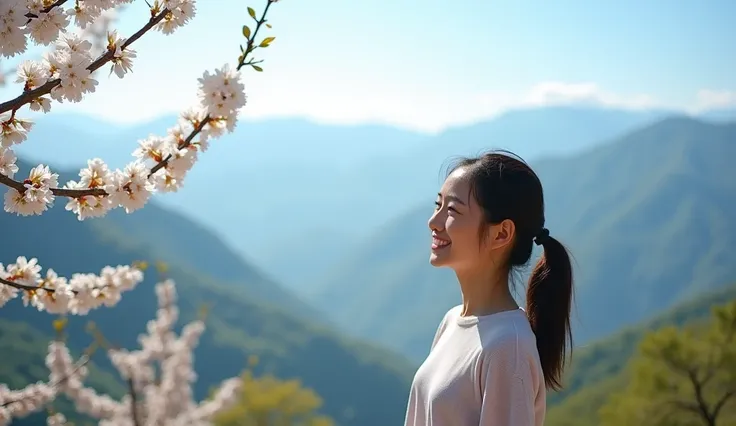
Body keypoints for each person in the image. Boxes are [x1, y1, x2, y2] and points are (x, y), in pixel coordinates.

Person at [404, 150, 574, 426]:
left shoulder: (508, 348)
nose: (433, 222)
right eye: (438, 206)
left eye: (452, 211)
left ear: (501, 233)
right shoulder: (452, 321)